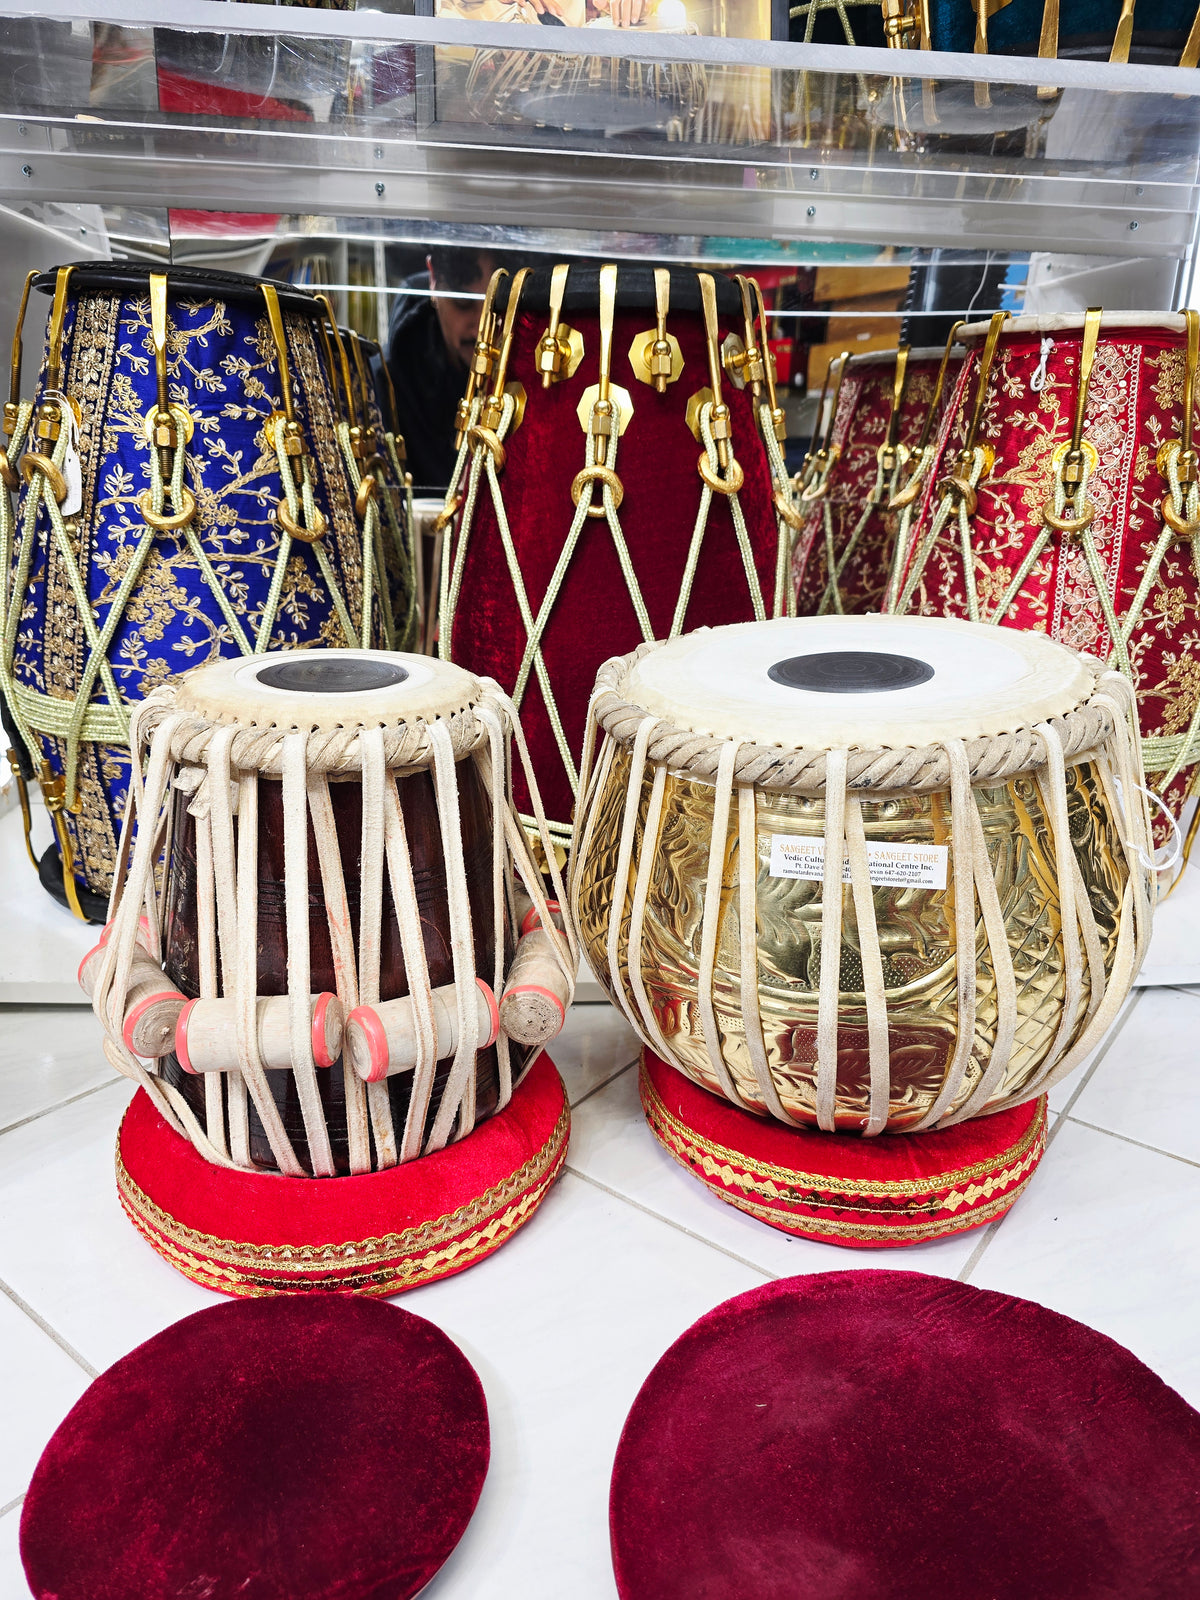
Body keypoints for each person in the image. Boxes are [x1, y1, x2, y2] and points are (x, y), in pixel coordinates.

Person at [386, 246, 511, 493]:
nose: (481, 329)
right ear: (433, 278)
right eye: (463, 304)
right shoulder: (394, 377)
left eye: (497, 308)